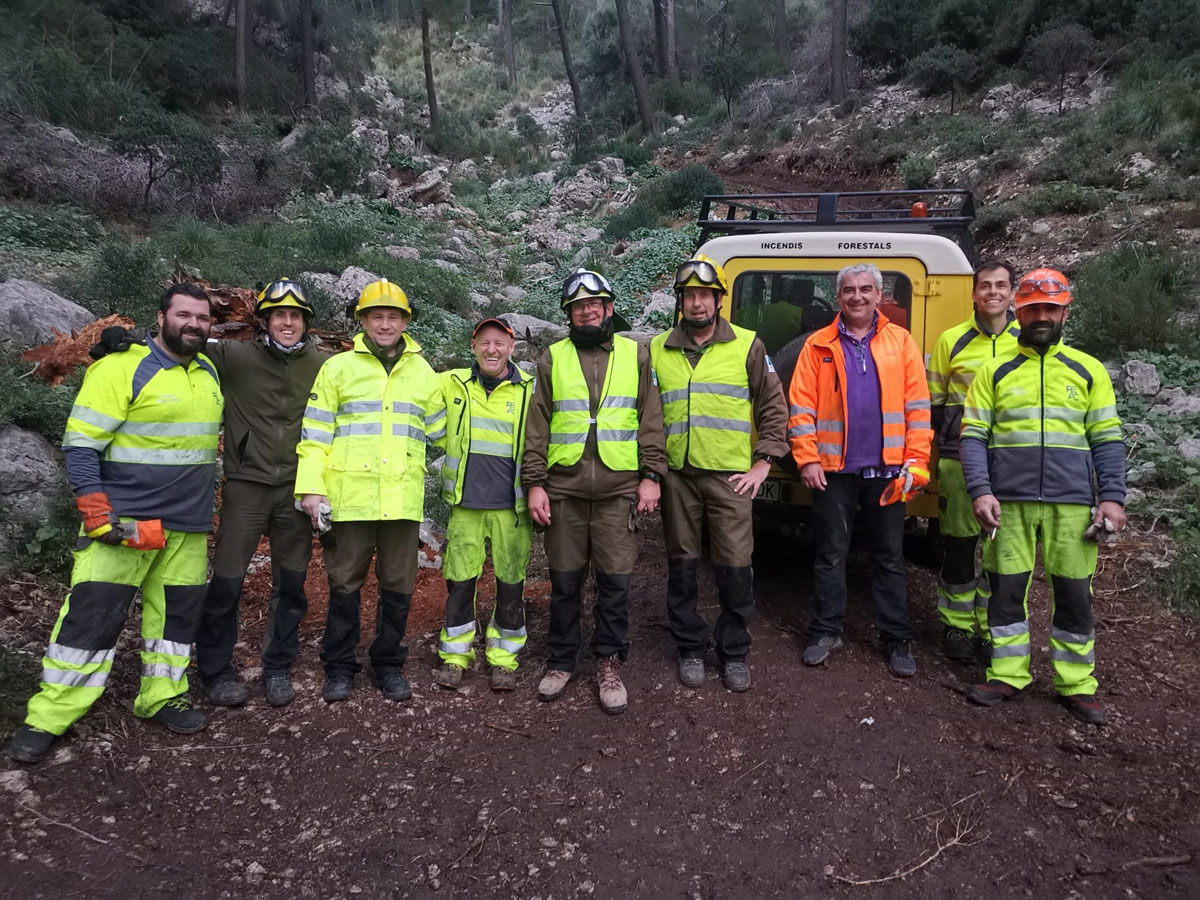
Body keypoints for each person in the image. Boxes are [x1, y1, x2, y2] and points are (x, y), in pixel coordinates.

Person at [8, 283, 224, 764]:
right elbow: (82, 445)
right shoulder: (120, 368)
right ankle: (48, 717)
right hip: (124, 523)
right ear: (161, 316)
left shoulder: (208, 370)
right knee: (91, 618)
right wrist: (94, 509)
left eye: (202, 317)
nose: (193, 323)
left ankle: (163, 696)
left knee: (174, 622)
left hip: (185, 526)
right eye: (184, 314)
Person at [960, 268, 1126, 725]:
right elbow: (973, 436)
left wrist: (1112, 497)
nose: (1041, 317)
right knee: (1005, 591)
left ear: (1065, 313)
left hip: (1071, 503)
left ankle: (1077, 683)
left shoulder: (1087, 370)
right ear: (1019, 311)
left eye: (1050, 309)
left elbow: (1107, 439)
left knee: (1074, 593)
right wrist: (980, 490)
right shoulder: (994, 370)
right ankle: (1008, 673)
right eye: (1032, 309)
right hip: (1007, 503)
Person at [521, 269, 667, 715]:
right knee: (565, 582)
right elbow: (537, 424)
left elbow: (651, 418)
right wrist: (534, 483)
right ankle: (561, 662)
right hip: (563, 489)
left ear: (608, 309)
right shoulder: (552, 357)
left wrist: (651, 476)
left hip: (618, 487)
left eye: (595, 305)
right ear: (570, 314)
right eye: (578, 306)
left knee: (615, 582)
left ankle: (608, 663)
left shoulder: (636, 354)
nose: (587, 311)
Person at [295, 279, 446, 704]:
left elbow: (443, 432)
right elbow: (315, 433)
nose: (385, 323)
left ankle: (388, 665)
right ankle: (340, 666)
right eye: (376, 316)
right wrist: (311, 488)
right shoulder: (337, 369)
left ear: (405, 321)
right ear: (362, 320)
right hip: (350, 498)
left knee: (398, 584)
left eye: (393, 316)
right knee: (344, 583)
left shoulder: (422, 372)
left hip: (400, 499)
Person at [649, 255, 788, 692]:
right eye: (689, 296)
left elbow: (773, 406)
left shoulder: (748, 345)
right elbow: (645, 412)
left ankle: (734, 651)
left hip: (730, 478)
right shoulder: (657, 348)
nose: (697, 304)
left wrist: (764, 461)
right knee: (682, 564)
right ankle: (690, 647)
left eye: (705, 296)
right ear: (680, 302)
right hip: (677, 476)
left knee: (734, 565)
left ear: (719, 300)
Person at [787, 263, 932, 678]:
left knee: (889, 556)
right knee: (830, 555)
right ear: (838, 297)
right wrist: (807, 458)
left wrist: (917, 462)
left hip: (888, 472)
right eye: (849, 290)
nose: (857, 296)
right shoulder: (817, 345)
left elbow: (917, 409)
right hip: (833, 472)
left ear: (879, 295)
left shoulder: (900, 342)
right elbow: (800, 409)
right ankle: (825, 630)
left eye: (865, 289)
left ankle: (896, 639)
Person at [194, 279, 328, 709]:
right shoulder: (234, 357)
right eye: (278, 315)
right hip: (246, 488)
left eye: (294, 316)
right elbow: (181, 343)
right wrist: (128, 345)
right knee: (227, 582)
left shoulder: (325, 365)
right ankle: (215, 672)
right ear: (264, 320)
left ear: (305, 322)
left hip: (297, 489)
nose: (286, 322)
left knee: (290, 585)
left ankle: (277, 668)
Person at [433, 317, 535, 693]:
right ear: (473, 346)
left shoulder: (529, 390)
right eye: (484, 342)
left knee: (511, 583)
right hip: (466, 504)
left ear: (512, 348)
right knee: (461, 581)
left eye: (500, 343)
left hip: (512, 507)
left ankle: (504, 659)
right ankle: (455, 656)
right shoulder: (453, 383)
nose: (492, 350)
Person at [926, 260, 1020, 663]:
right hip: (957, 458)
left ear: (1013, 293)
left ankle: (990, 628)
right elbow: (933, 405)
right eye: (985, 286)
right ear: (973, 293)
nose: (993, 292)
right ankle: (956, 626)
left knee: (1002, 552)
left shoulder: (1028, 340)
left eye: (1001, 286)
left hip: (1013, 462)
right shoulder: (951, 340)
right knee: (960, 548)